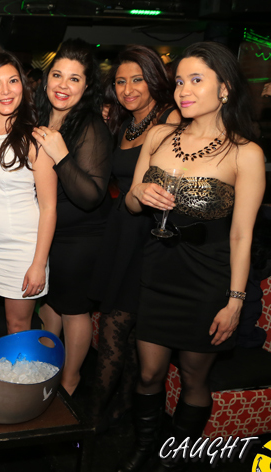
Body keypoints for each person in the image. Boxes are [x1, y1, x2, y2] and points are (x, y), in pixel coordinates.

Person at [122, 41, 265, 472]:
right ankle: (145, 445)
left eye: (196, 80)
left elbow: (242, 235)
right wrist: (139, 193)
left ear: (225, 88)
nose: (183, 90)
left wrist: (235, 301)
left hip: (207, 280)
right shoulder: (159, 136)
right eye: (179, 81)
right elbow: (130, 203)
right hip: (156, 270)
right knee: (148, 372)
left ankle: (172, 459)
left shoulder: (245, 153)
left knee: (193, 377)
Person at [87, 45, 181, 432]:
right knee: (126, 332)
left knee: (115, 324)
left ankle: (91, 417)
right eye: (121, 81)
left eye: (137, 80)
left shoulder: (171, 118)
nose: (128, 89)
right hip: (123, 228)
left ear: (154, 79)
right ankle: (122, 404)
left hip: (151, 235)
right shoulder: (126, 124)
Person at [32, 39, 113, 395]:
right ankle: (48, 371)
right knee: (49, 305)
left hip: (82, 237)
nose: (63, 85)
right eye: (57, 75)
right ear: (46, 78)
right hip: (47, 231)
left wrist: (61, 154)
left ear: (86, 86)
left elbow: (92, 196)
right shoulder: (38, 117)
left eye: (74, 79)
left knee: (74, 310)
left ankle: (70, 379)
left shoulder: (90, 125)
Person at [0, 52, 57, 344]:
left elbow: (49, 208)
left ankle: (17, 377)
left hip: (23, 253)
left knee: (17, 327)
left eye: (13, 81)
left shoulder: (36, 140)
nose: (5, 91)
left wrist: (39, 263)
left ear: (23, 87)